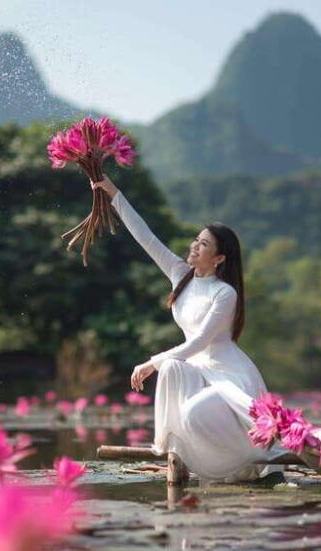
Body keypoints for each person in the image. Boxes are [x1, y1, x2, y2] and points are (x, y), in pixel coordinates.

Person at [91, 174, 287, 485]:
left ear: (219, 258)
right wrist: (113, 192)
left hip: (227, 373)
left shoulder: (225, 294)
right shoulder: (180, 275)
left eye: (204, 244)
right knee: (171, 368)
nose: (195, 246)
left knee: (192, 411)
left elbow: (199, 342)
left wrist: (150, 362)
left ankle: (250, 461)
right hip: (195, 369)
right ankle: (170, 447)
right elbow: (145, 236)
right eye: (196, 240)